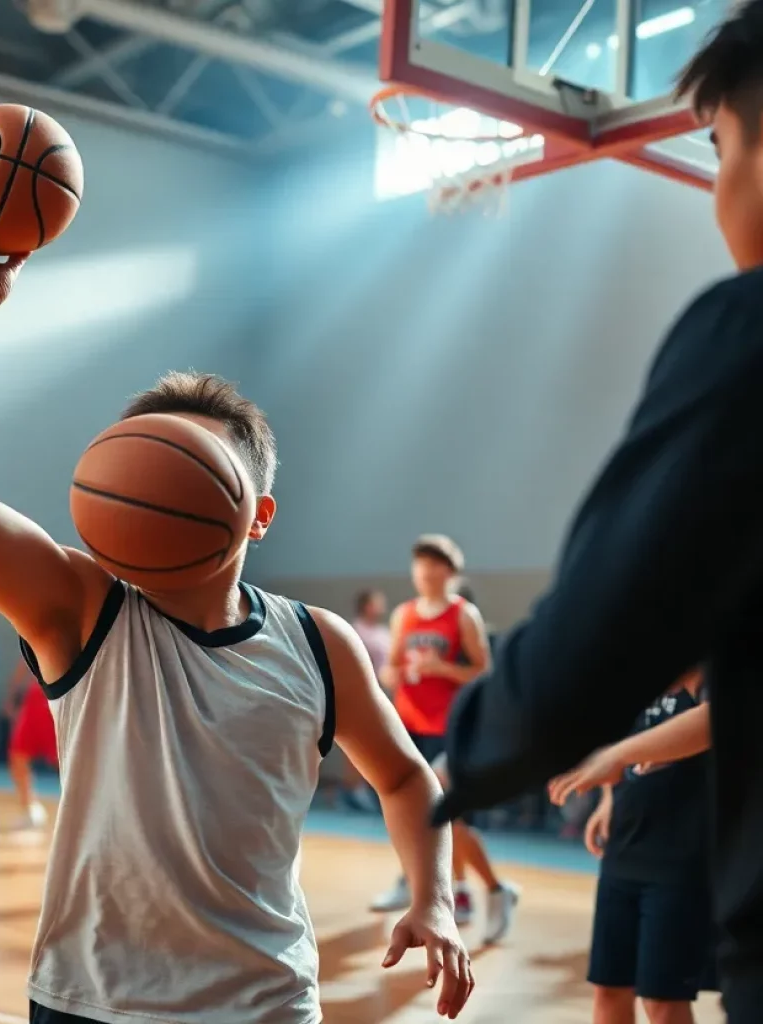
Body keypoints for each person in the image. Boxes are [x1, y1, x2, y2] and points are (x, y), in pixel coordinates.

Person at [0, 172, 474, 1023]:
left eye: (198, 475)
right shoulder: (85, 610)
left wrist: (433, 896)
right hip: (89, 998)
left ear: (259, 516)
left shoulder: (318, 643)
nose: (165, 491)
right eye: (152, 466)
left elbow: (404, 777)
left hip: (265, 1003)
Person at [433, 4, 763, 1017]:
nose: (717, 189)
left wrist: (458, 759)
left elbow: (569, 680)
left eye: (721, 146)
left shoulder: (744, 336)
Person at [370, 536, 518, 946]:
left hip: (451, 727)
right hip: (409, 724)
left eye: (434, 565)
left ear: (450, 572)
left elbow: (484, 672)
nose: (425, 572)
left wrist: (443, 668)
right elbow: (390, 670)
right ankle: (439, 886)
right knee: (410, 809)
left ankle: (487, 888)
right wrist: (394, 676)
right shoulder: (404, 615)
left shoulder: (462, 614)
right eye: (419, 564)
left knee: (442, 810)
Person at [550, 671, 715, 1024]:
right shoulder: (637, 657)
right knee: (609, 988)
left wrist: (621, 756)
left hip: (682, 855)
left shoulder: (714, 654)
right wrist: (609, 797)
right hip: (626, 844)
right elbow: (618, 736)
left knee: (662, 998)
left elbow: (714, 719)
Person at [343, 589, 391, 810]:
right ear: (365, 606)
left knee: (376, 744)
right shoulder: (355, 631)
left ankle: (367, 788)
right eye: (376, 602)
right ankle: (353, 790)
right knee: (356, 743)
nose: (380, 606)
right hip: (359, 695)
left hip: (382, 695)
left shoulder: (383, 632)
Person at [5, 656, 57, 829]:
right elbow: (25, 660)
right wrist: (12, 697)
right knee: (18, 754)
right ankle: (29, 808)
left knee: (66, 762)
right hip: (36, 696)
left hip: (62, 696)